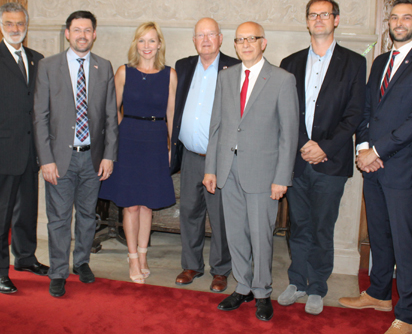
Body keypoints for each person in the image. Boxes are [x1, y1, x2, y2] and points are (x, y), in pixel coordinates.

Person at [339, 0, 412, 334]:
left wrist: (379, 150)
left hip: (403, 168)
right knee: (379, 235)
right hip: (374, 165)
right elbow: (368, 110)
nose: (399, 23)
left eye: (406, 18)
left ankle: (408, 315)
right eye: (395, 17)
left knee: (405, 242)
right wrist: (365, 147)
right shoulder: (381, 60)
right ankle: (379, 294)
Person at [203, 21, 299, 322]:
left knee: (261, 237)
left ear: (263, 42)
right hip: (228, 171)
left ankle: (261, 291)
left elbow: (289, 134)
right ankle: (242, 286)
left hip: (263, 174)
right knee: (235, 235)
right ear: (234, 44)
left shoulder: (282, 80)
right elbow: (216, 126)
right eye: (240, 40)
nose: (245, 44)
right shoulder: (226, 77)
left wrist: (282, 177)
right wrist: (211, 169)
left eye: (252, 39)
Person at [278, 0, 366, 315]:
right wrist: (304, 144)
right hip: (298, 159)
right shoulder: (290, 62)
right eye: (313, 15)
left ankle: (317, 286)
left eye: (325, 14)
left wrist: (323, 146)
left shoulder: (354, 63)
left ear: (336, 20)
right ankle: (297, 281)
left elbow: (354, 114)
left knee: (321, 227)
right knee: (298, 225)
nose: (318, 19)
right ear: (307, 21)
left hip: (332, 160)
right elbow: (286, 112)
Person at [33, 10, 118, 298]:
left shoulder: (104, 67)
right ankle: (58, 272)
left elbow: (110, 116)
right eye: (77, 30)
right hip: (59, 159)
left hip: (92, 159)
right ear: (67, 33)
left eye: (88, 30)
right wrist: (45, 159)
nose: (82, 35)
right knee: (58, 219)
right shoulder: (48, 66)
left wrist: (109, 155)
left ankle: (81, 262)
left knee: (86, 215)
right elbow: (39, 116)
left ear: (94, 34)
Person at [0, 2, 48, 294]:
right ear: (0, 25)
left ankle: (25, 259)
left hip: (30, 153)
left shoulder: (37, 58)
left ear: (26, 26)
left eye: (20, 24)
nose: (16, 29)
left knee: (27, 211)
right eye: (10, 24)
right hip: (0, 155)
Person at [99, 22, 177, 284]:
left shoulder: (170, 74)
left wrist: (170, 147)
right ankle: (132, 258)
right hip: (128, 141)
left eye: (152, 40)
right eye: (142, 41)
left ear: (159, 44)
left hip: (156, 141)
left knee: (148, 204)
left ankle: (143, 256)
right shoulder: (124, 72)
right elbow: (111, 110)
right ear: (136, 44)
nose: (146, 46)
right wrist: (119, 134)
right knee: (130, 204)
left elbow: (171, 114)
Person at [171, 18, 239, 292]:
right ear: (194, 40)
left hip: (220, 158)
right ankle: (191, 265)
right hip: (190, 155)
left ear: (221, 38)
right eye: (200, 35)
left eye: (211, 34)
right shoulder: (184, 66)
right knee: (189, 211)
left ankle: (221, 270)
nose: (206, 39)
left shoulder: (234, 67)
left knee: (220, 216)